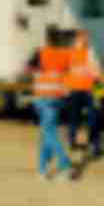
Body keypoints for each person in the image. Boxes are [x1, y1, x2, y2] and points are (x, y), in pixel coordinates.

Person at [26, 26, 73, 181]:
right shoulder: (64, 54)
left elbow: (28, 69)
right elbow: (67, 72)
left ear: (46, 38)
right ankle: (42, 169)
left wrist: (37, 68)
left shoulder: (39, 52)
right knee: (46, 133)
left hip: (42, 97)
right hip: (57, 97)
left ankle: (65, 164)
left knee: (48, 132)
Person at [65, 29, 104, 158]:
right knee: (74, 118)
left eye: (87, 37)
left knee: (94, 117)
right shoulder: (69, 52)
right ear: (77, 38)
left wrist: (103, 80)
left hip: (87, 89)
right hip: (74, 89)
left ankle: (94, 144)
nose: (85, 39)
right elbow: (64, 70)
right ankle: (72, 142)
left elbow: (96, 69)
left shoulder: (90, 52)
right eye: (83, 37)